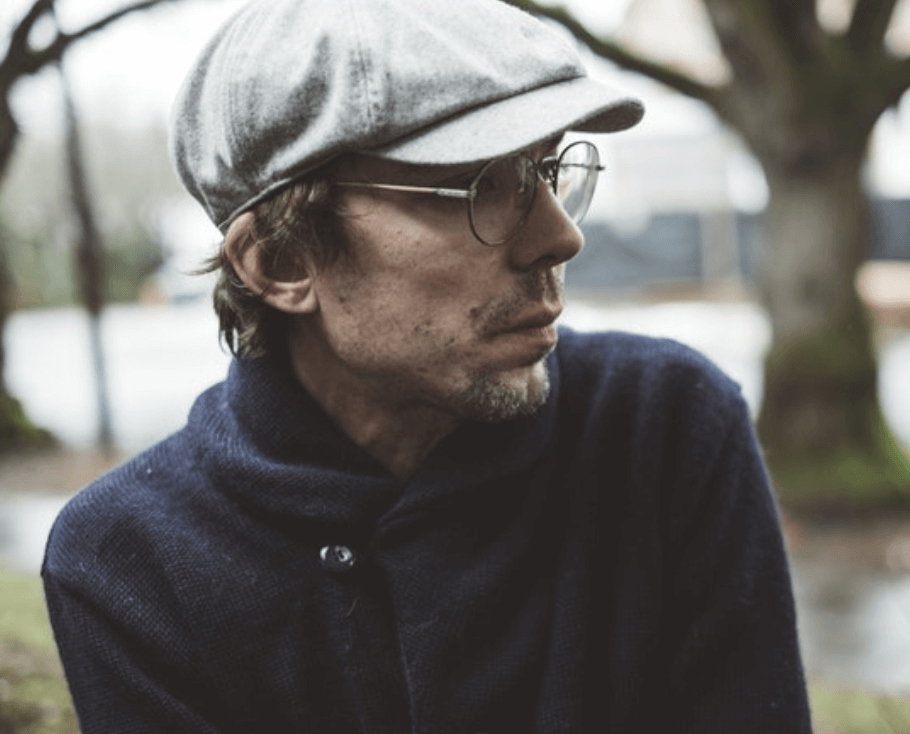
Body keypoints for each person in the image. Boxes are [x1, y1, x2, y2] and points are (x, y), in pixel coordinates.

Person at [42, 0, 812, 731]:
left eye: (547, 173)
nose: (559, 238)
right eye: (478, 185)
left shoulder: (661, 429)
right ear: (281, 260)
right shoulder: (131, 565)